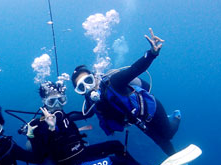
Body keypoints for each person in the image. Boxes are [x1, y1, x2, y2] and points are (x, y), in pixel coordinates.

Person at [25, 81, 198, 165]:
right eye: (51, 102)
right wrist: (45, 129)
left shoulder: (65, 116)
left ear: (64, 100)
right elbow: (39, 156)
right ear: (43, 103)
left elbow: (88, 112)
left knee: (116, 145)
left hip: (82, 153)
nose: (56, 105)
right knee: (115, 162)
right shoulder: (38, 125)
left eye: (60, 100)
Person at [71, 28, 180, 156]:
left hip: (152, 110)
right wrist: (60, 117)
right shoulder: (91, 101)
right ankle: (178, 161)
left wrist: (152, 53)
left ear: (94, 77)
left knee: (168, 135)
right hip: (136, 119)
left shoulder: (114, 82)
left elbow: (135, 69)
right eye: (81, 87)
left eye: (88, 80)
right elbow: (86, 115)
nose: (88, 88)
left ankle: (177, 116)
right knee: (160, 141)